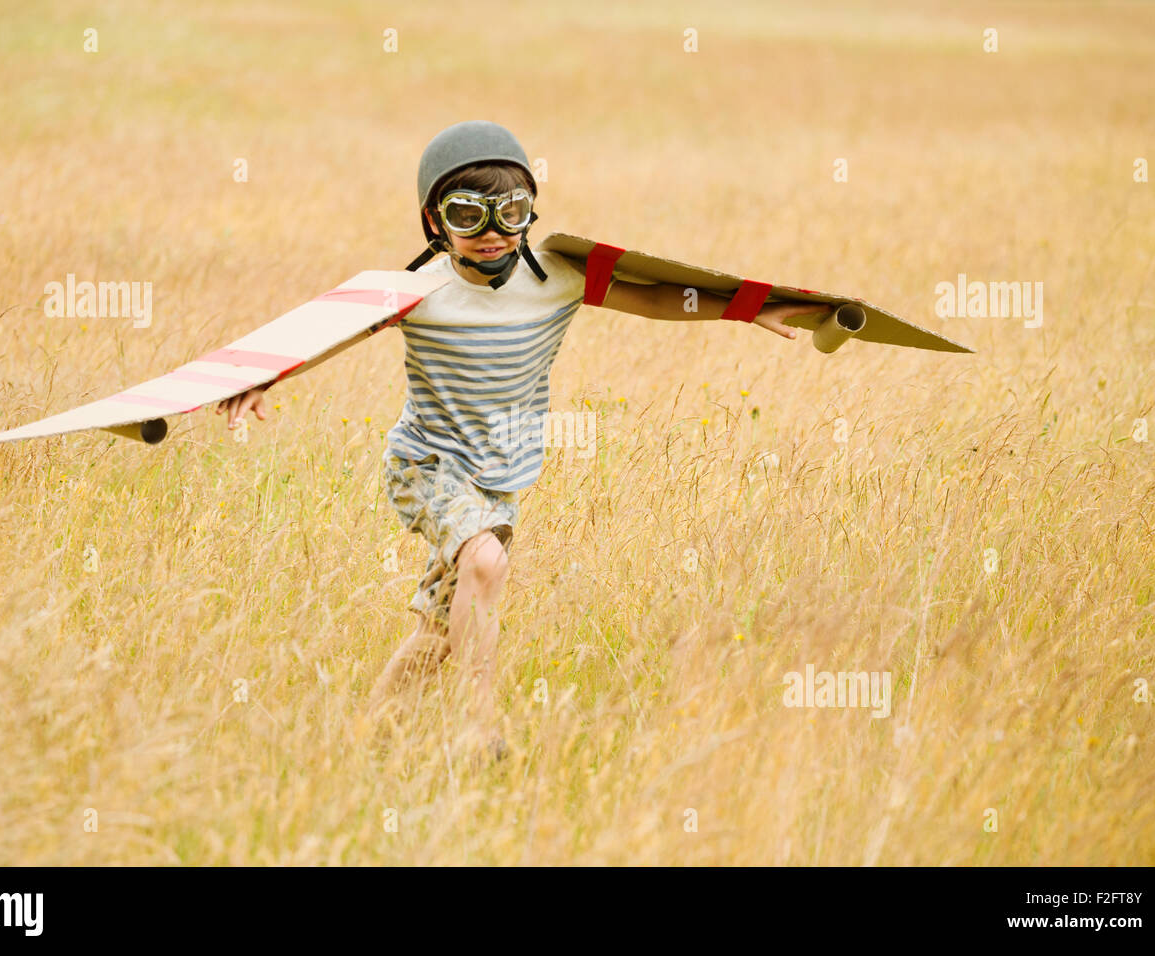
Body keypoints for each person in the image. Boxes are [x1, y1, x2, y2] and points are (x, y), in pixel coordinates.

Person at [216, 120, 830, 758]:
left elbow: (652, 299)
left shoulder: (558, 278)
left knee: (441, 630)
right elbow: (333, 332)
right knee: (485, 562)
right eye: (467, 215)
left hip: (500, 474)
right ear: (433, 222)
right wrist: (268, 376)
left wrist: (748, 307)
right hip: (425, 463)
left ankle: (367, 737)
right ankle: (476, 727)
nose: (491, 234)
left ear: (530, 213)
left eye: (510, 213)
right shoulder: (418, 293)